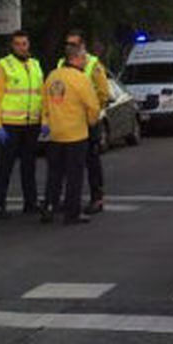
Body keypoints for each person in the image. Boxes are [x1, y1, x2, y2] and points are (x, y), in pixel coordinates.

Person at [40, 43, 101, 225]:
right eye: (83, 57)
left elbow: (44, 103)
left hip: (55, 133)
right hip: (75, 134)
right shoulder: (80, 79)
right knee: (74, 175)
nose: (85, 61)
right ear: (75, 58)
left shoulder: (52, 76)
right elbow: (93, 107)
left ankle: (49, 207)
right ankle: (72, 213)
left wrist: (47, 124)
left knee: (54, 174)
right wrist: (90, 123)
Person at [0, 29, 43, 220]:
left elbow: (40, 95)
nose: (22, 47)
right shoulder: (3, 66)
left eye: (25, 43)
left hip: (32, 123)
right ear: (12, 46)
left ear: (29, 45)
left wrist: (44, 119)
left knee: (29, 166)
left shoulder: (35, 65)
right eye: (18, 44)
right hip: (10, 124)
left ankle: (31, 202)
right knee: (6, 166)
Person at [61, 29, 111, 214]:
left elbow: (103, 93)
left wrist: (92, 110)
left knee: (92, 161)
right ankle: (71, 199)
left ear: (82, 45)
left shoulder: (93, 64)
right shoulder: (62, 62)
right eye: (67, 44)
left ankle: (97, 198)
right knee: (70, 163)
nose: (69, 47)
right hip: (70, 121)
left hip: (89, 121)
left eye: (73, 44)